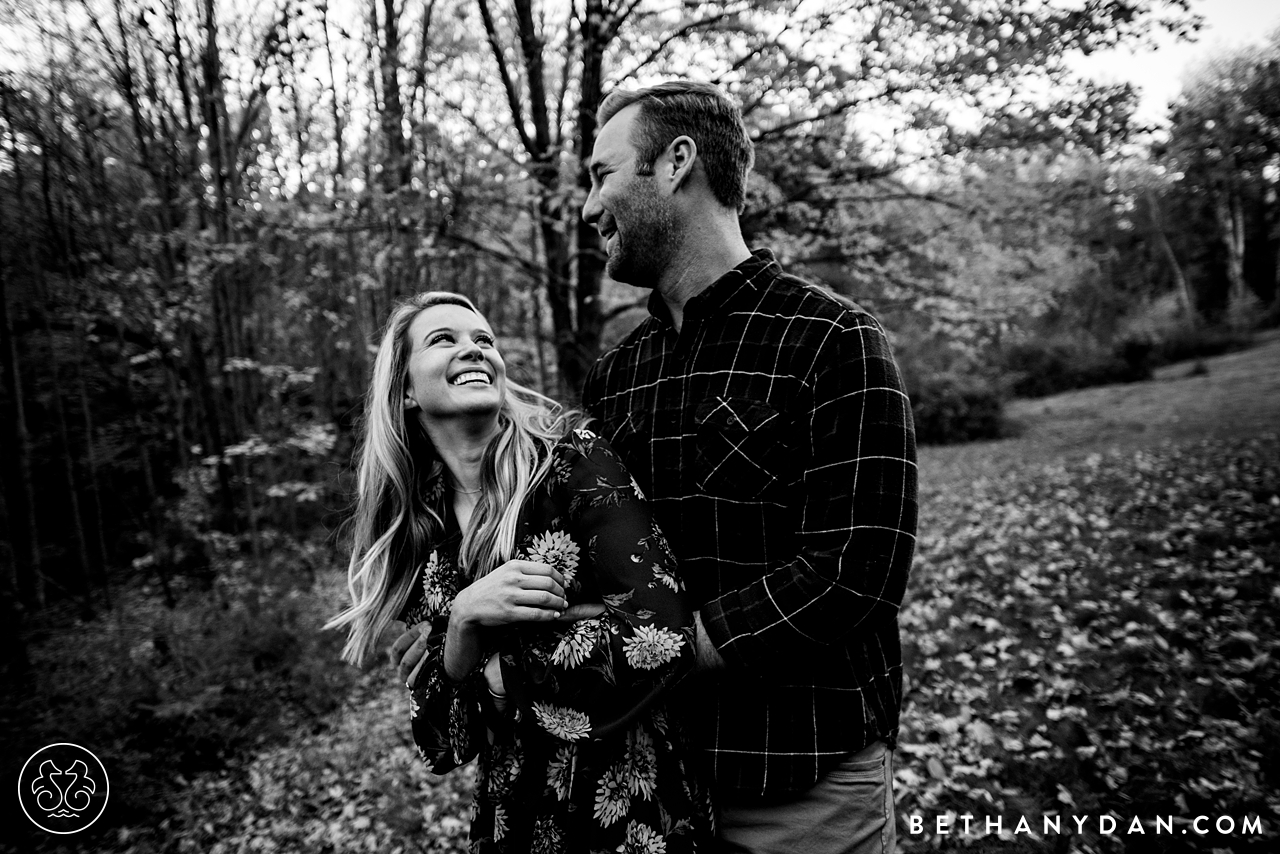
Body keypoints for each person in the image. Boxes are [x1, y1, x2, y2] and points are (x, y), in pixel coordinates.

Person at [580, 81, 918, 854]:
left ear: (675, 164)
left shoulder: (832, 339)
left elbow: (854, 569)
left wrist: (669, 649)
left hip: (803, 792)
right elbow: (590, 557)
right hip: (651, 791)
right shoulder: (616, 376)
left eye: (602, 175)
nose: (590, 210)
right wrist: (464, 616)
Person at [327, 292, 714, 853]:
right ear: (407, 390)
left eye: (484, 340)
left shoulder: (570, 463)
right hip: (515, 820)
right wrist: (462, 622)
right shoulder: (420, 531)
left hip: (632, 810)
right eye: (444, 340)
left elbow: (661, 632)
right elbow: (443, 743)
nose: (474, 350)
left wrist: (495, 673)